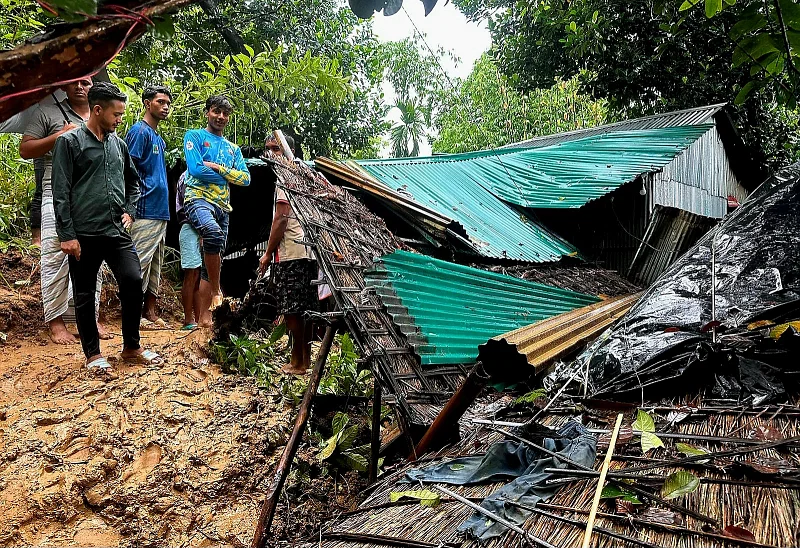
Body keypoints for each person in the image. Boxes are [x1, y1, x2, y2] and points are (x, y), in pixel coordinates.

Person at [51, 81, 160, 370]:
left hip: (116, 230)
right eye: (116, 114)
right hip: (84, 233)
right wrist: (67, 235)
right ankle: (93, 355)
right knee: (84, 292)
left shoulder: (119, 144)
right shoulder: (69, 142)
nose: (120, 120)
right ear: (97, 110)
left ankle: (131, 347)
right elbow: (60, 191)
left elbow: (133, 182)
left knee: (133, 280)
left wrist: (130, 211)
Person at [20, 79, 109, 344]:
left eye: (86, 82)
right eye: (75, 82)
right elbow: (25, 149)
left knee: (94, 260)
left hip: (91, 198)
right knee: (54, 256)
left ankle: (88, 318)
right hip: (54, 193)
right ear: (65, 86)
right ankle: (56, 322)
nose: (80, 87)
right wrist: (58, 136)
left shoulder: (100, 113)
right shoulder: (47, 112)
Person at [182, 95, 250, 313]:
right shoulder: (194, 136)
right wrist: (230, 177)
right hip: (198, 198)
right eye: (216, 111)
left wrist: (220, 170)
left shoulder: (233, 149)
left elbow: (246, 179)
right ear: (207, 112)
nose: (220, 117)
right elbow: (195, 169)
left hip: (223, 207)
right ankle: (216, 292)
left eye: (225, 113)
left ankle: (205, 318)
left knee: (211, 263)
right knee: (212, 233)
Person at [259, 134, 319, 374]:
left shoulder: (286, 179)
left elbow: (281, 219)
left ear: (288, 151)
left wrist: (266, 254)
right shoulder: (301, 177)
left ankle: (298, 362)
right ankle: (303, 360)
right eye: (268, 150)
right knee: (303, 309)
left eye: (276, 149)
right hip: (307, 251)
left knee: (293, 309)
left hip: (292, 252)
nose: (271, 154)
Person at [125, 85, 172, 329]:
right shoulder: (138, 132)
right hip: (143, 208)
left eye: (168, 104)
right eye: (160, 102)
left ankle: (150, 312)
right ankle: (131, 315)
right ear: (147, 103)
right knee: (139, 263)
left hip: (160, 209)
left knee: (155, 263)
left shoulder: (158, 139)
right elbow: (127, 170)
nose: (165, 107)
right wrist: (128, 208)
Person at [175, 171, 208, 329]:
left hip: (198, 228)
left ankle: (197, 318)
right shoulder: (187, 177)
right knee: (191, 274)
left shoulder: (198, 175)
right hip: (190, 227)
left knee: (197, 275)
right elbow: (190, 206)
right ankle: (188, 319)